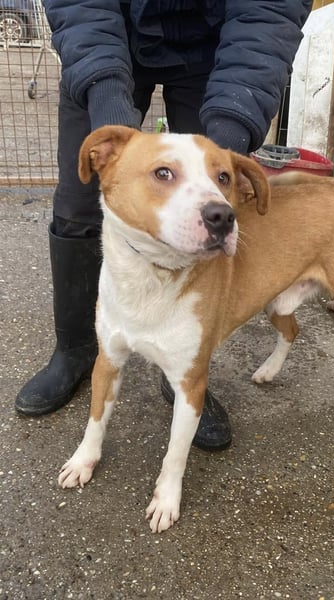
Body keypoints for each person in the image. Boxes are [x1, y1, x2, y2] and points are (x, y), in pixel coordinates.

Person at [15, 0, 312, 450]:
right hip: (105, 35)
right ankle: (75, 350)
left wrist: (226, 146)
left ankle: (185, 366)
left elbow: (269, 13)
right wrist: (104, 95)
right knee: (77, 206)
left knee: (202, 219)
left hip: (216, 46)